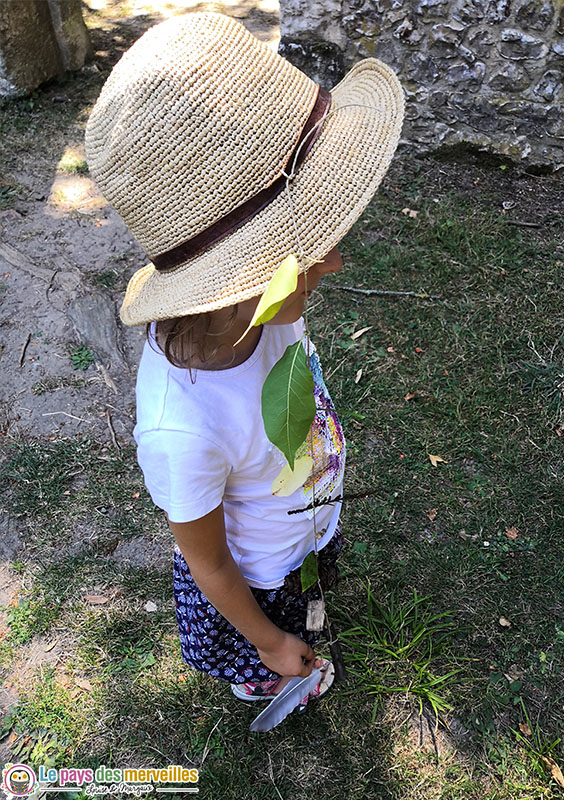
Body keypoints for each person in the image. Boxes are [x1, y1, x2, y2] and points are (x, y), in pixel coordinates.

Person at [84, 12, 405, 710]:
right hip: (253, 579)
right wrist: (261, 638)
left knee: (313, 589)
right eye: (308, 249)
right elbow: (207, 561)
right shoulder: (183, 428)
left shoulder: (266, 313)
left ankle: (302, 612)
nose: (336, 261)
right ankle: (262, 666)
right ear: (238, 284)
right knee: (273, 637)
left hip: (304, 525)